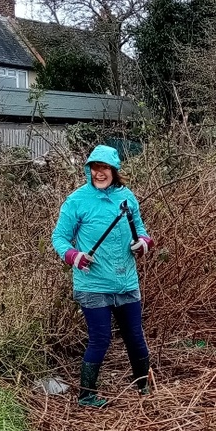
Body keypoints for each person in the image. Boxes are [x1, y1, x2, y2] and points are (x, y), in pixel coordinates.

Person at [51, 145, 155, 407]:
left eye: (105, 168)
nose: (100, 173)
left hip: (126, 281)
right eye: (95, 168)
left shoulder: (127, 197)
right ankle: (87, 395)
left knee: (135, 335)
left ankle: (143, 387)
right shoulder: (77, 200)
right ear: (89, 170)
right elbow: (59, 238)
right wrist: (74, 256)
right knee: (101, 338)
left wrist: (142, 243)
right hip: (93, 283)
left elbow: (141, 229)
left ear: (114, 170)